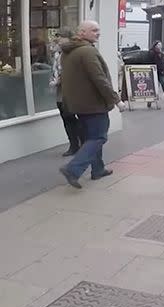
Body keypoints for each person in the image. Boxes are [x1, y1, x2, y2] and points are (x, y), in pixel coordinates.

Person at [58, 20, 126, 189]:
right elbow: (100, 79)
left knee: (91, 137)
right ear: (81, 33)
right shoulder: (87, 52)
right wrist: (116, 100)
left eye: (98, 30)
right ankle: (73, 169)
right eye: (94, 30)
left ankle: (98, 169)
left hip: (79, 104)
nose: (98, 33)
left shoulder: (68, 52)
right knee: (99, 137)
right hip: (93, 104)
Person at [50, 28, 84, 156]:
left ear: (69, 38)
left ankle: (83, 143)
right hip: (60, 91)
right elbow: (55, 69)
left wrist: (61, 79)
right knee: (66, 117)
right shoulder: (57, 53)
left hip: (72, 90)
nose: (58, 39)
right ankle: (73, 145)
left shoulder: (73, 52)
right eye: (57, 36)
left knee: (72, 116)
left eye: (61, 36)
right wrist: (54, 79)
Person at [149, 40, 164, 105]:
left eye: (160, 45)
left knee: (163, 84)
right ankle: (150, 101)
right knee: (154, 86)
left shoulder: (160, 53)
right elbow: (152, 61)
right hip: (155, 71)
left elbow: (163, 61)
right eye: (158, 45)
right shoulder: (152, 53)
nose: (160, 46)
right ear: (155, 46)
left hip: (161, 71)